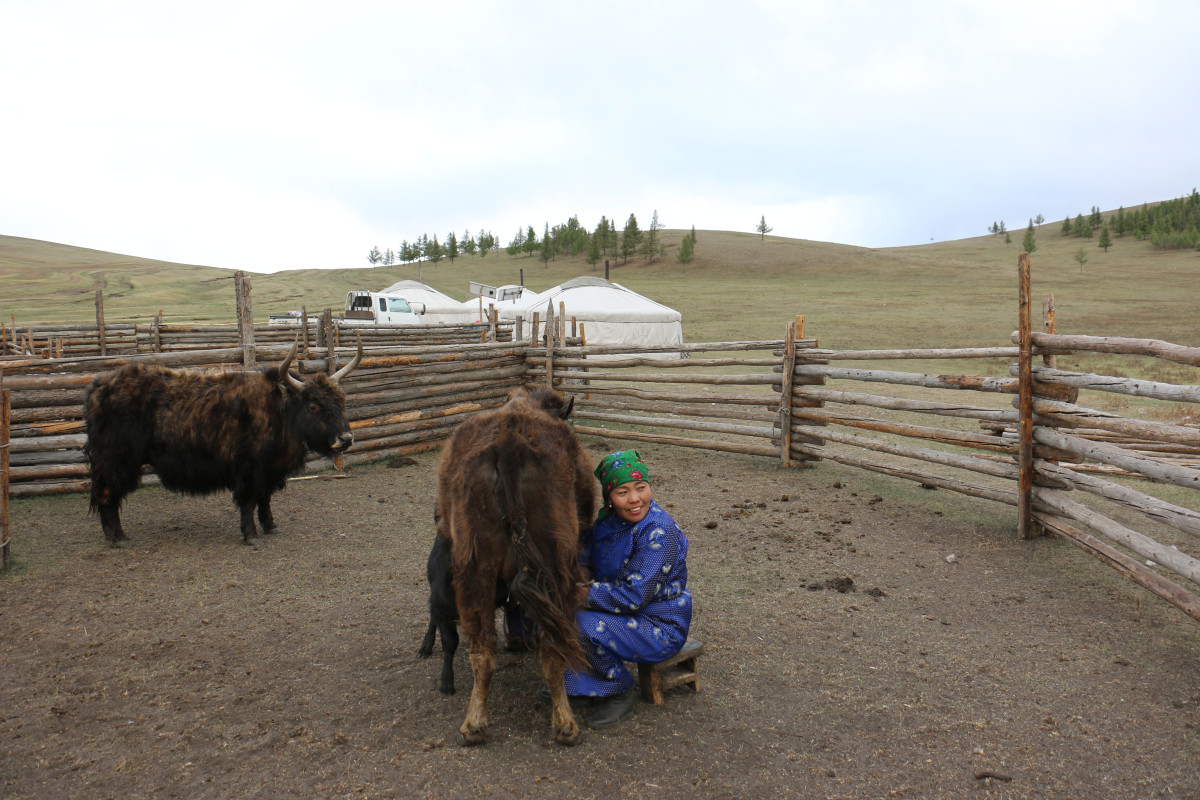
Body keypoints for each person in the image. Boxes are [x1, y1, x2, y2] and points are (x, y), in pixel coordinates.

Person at [565, 449, 692, 729]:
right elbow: (586, 555)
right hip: (621, 614)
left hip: (659, 624)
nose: (635, 499)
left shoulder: (659, 532)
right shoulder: (608, 523)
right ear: (609, 497)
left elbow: (634, 595)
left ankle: (618, 691)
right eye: (623, 491)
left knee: (579, 624)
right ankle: (587, 686)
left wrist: (582, 593)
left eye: (641, 488)